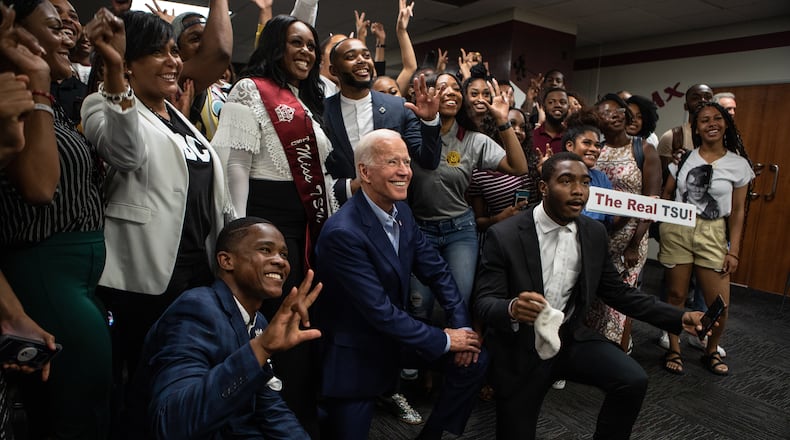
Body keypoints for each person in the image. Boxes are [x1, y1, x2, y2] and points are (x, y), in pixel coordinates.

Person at [474, 151, 710, 440]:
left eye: (585, 182)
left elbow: (618, 292)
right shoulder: (505, 234)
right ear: (544, 188)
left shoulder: (593, 232)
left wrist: (679, 316)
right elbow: (484, 302)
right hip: (521, 348)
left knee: (632, 380)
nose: (578, 191)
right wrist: (511, 308)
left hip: (569, 339)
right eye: (566, 181)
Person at [82, 8, 232, 405]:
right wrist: (114, 75)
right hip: (143, 278)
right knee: (144, 386)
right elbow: (125, 152)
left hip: (195, 270)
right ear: (127, 64)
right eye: (158, 53)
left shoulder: (177, 115)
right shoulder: (100, 105)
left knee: (184, 379)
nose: (174, 62)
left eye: (173, 51)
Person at [314, 129, 488, 440]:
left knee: (474, 359)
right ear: (365, 172)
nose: (405, 171)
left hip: (395, 339)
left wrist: (460, 327)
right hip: (356, 353)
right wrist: (446, 340)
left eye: (407, 162)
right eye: (393, 162)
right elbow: (379, 312)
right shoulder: (343, 233)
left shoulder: (401, 212)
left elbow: (437, 271)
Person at [212, 15, 335, 436]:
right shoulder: (250, 89)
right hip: (265, 221)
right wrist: (241, 233)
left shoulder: (302, 101)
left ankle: (295, 417)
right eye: (295, 43)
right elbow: (236, 166)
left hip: (301, 226)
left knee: (294, 324)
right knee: (266, 324)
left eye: (311, 45)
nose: (306, 51)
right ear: (274, 47)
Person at [0, 1, 111, 437]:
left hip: (77, 280)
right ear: (15, 38)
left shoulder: (43, 99)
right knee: (74, 412)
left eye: (70, 26)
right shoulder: (19, 100)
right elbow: (41, 188)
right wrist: (41, 92)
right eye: (54, 27)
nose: (71, 34)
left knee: (88, 401)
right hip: (43, 272)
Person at [128, 217, 321, 439]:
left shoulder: (259, 322)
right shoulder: (196, 309)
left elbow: (270, 410)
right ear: (226, 261)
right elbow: (172, 423)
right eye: (265, 249)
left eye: (284, 254)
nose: (280, 261)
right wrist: (259, 349)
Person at [407, 73, 527, 321]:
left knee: (459, 305)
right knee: (419, 305)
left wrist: (503, 121)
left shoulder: (472, 140)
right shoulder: (412, 132)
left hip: (459, 230)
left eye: (455, 88)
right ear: (428, 95)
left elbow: (518, 167)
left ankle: (457, 355)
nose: (450, 92)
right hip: (419, 229)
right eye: (442, 87)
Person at [658, 102, 754, 376]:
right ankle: (673, 347)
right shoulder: (684, 159)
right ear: (696, 127)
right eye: (704, 120)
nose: (711, 123)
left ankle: (711, 350)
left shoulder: (738, 164)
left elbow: (737, 212)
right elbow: (666, 195)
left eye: (717, 119)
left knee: (718, 303)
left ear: (725, 124)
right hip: (677, 229)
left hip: (713, 231)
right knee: (675, 295)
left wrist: (733, 251)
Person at [323, 36, 442, 205]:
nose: (361, 61)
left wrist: (430, 121)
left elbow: (428, 161)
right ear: (334, 70)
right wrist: (349, 188)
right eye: (351, 57)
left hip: (394, 210)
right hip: (344, 209)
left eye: (366, 55)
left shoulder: (398, 107)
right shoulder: (320, 112)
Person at [591, 93, 661, 352]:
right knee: (596, 296)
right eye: (607, 113)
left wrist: (634, 244)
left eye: (619, 111)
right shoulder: (594, 148)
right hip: (598, 237)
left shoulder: (643, 149)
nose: (615, 115)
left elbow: (652, 201)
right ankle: (594, 348)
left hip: (631, 240)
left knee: (623, 296)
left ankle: (620, 348)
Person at [533, 87, 569, 154]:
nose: (558, 105)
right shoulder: (532, 136)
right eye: (551, 102)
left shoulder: (572, 137)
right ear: (543, 107)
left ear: (568, 107)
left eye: (562, 102)